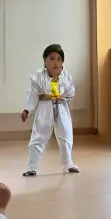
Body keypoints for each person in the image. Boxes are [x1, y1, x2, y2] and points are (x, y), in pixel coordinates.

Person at [21, 43, 79, 176]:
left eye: (59, 59)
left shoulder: (66, 77)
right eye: (52, 59)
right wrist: (27, 110)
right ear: (45, 61)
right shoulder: (38, 77)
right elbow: (32, 94)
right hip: (44, 109)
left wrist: (62, 97)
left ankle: (68, 164)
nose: (55, 63)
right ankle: (32, 167)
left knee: (66, 134)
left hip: (61, 107)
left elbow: (71, 92)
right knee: (39, 136)